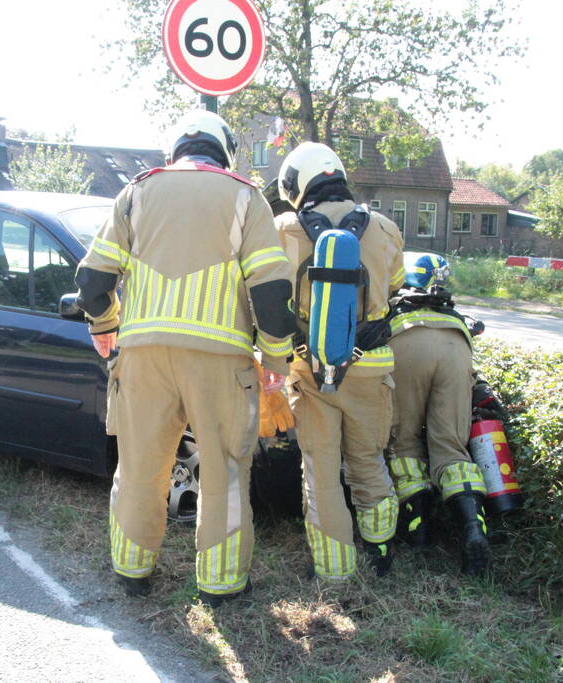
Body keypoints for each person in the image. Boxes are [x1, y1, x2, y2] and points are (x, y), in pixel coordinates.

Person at [75, 110, 296, 606]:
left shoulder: (135, 192)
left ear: (174, 150)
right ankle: (221, 585)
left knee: (139, 467)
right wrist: (276, 359)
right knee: (224, 472)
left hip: (142, 358)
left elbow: (93, 281)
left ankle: (132, 572)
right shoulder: (246, 196)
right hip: (220, 361)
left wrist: (104, 325)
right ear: (226, 153)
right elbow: (271, 290)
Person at [275, 142, 405, 580]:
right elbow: (396, 287)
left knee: (321, 471)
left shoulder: (283, 229)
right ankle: (380, 551)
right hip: (371, 367)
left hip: (309, 369)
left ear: (295, 184)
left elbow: (266, 293)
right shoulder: (386, 228)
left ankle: (333, 569)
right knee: (368, 459)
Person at [385, 253, 491, 575]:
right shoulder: (450, 310)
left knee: (403, 444)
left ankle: (417, 530)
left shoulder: (392, 304)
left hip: (405, 342)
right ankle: (473, 528)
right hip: (455, 344)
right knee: (451, 448)